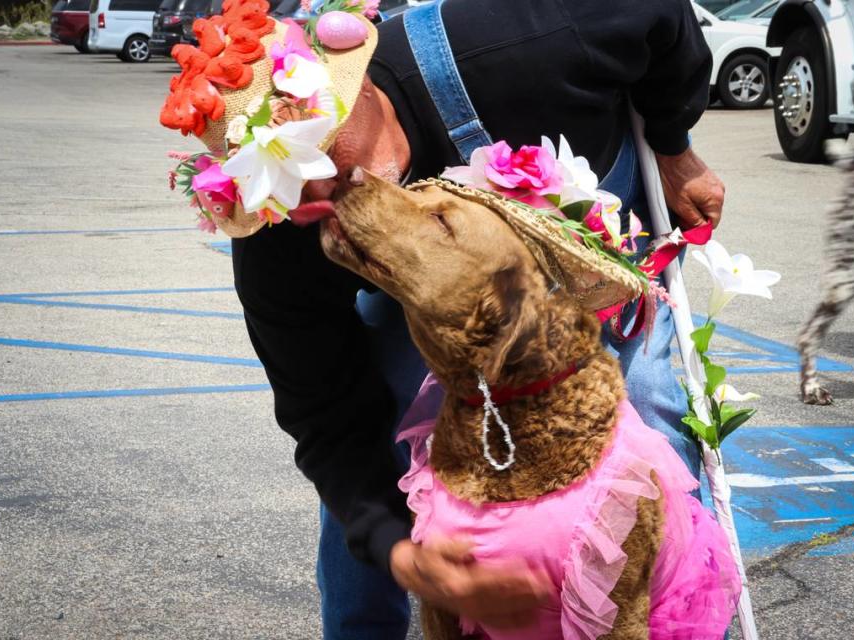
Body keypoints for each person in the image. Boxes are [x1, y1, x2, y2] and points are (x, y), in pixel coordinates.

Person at [230, 0, 724, 636]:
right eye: (281, 169)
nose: (314, 184)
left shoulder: (527, 37)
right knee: (380, 451)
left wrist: (673, 141)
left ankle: (665, 619)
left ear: (357, 83)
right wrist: (402, 551)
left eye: (316, 142)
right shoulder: (284, 231)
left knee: (655, 410)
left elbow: (660, 15)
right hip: (416, 270)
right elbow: (325, 414)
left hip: (579, 195)